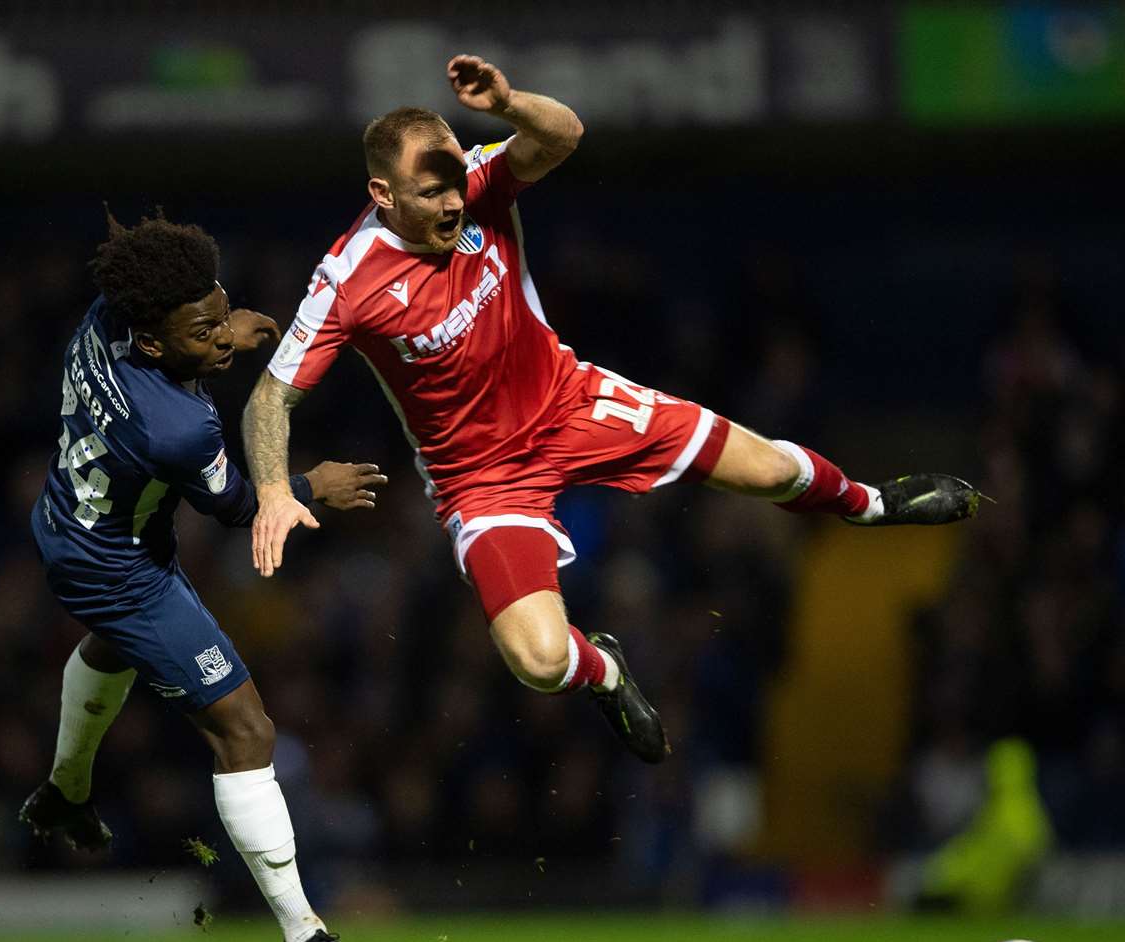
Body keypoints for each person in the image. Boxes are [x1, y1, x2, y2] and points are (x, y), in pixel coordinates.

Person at [242, 55, 979, 765]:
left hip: (573, 402)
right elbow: (272, 396)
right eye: (428, 192)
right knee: (538, 660)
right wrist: (275, 489)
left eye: (452, 181)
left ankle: (869, 504)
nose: (450, 200)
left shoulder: (481, 182)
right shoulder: (347, 280)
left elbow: (562, 136)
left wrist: (507, 106)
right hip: (482, 478)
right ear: (381, 194)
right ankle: (605, 674)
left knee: (766, 473)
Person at [20, 211, 385, 942]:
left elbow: (180, 327)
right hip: (118, 569)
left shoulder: (105, 316)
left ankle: (65, 790)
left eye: (222, 315)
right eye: (205, 332)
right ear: (154, 342)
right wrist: (310, 487)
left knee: (116, 651)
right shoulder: (180, 428)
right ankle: (303, 937)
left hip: (66, 522)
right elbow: (235, 505)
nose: (223, 339)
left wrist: (221, 324)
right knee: (248, 730)